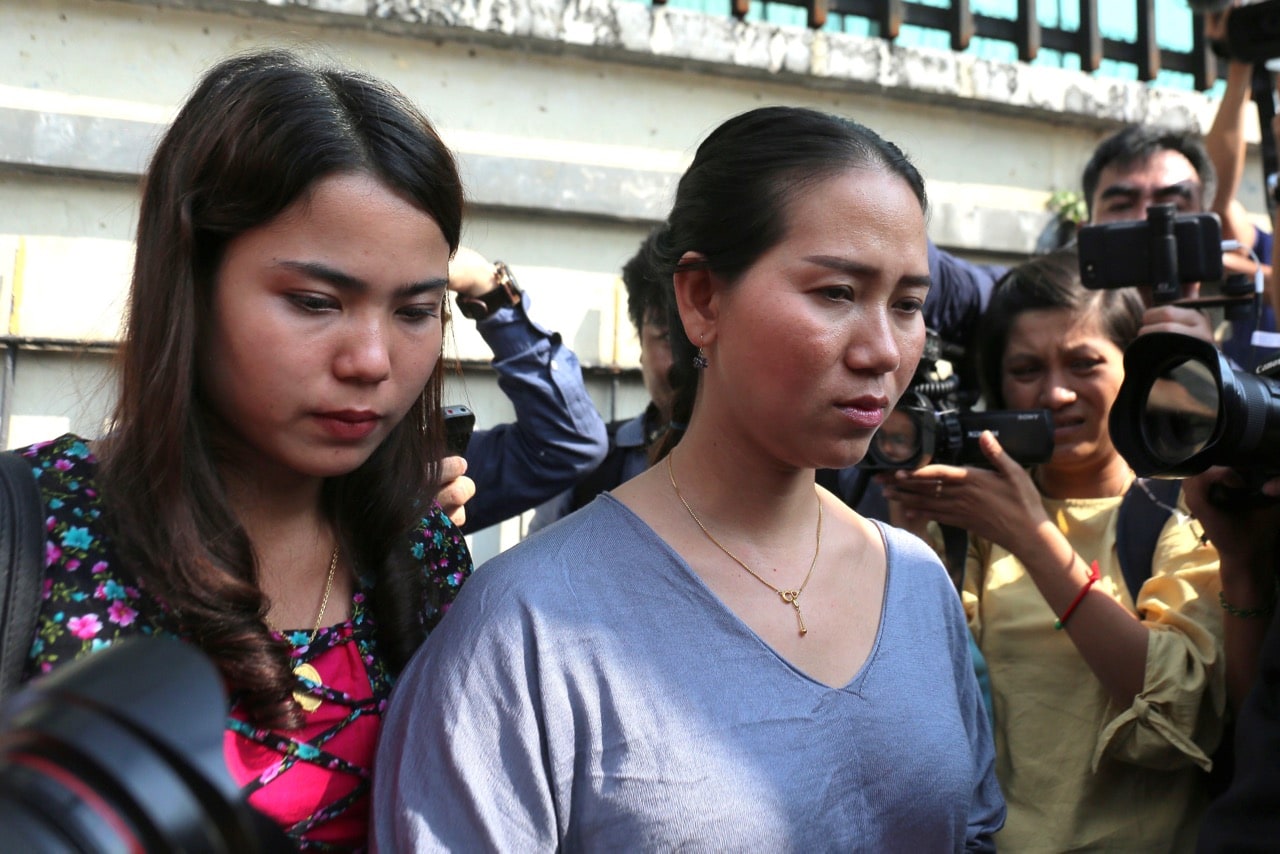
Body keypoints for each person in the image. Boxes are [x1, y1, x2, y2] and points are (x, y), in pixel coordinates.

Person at [372, 105, 1005, 851]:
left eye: (908, 305)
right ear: (702, 299)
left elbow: (975, 829)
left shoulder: (917, 583)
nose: (882, 349)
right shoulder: (525, 628)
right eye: (836, 293)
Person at [8, 50, 473, 850]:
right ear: (191, 277)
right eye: (315, 302)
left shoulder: (422, 557)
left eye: (415, 311)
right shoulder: (35, 533)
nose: (371, 359)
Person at [882, 248, 1226, 851]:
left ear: (1134, 372)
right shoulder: (972, 520)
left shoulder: (1183, 510)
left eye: (1085, 362)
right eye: (1026, 369)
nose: (1057, 393)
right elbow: (915, 712)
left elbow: (1184, 712)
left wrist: (1033, 539)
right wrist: (909, 542)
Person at [442, 246, 609, 533]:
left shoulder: (416, 463)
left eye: (412, 313)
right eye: (334, 305)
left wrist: (487, 289)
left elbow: (567, 446)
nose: (370, 361)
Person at [529, 227, 673, 529]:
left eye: (696, 342)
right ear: (641, 345)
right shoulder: (588, 460)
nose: (682, 363)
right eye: (666, 337)